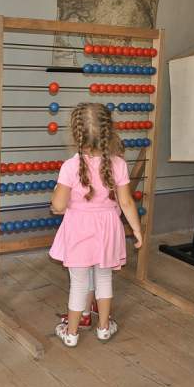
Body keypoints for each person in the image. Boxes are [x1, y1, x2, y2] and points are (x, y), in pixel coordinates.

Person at [49, 103, 142, 347]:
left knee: (79, 283)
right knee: (104, 278)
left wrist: (57, 201)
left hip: (79, 228)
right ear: (108, 133)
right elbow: (126, 202)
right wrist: (137, 230)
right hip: (108, 229)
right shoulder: (118, 164)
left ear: (76, 135)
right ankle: (103, 328)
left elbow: (58, 205)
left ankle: (71, 333)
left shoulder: (70, 167)